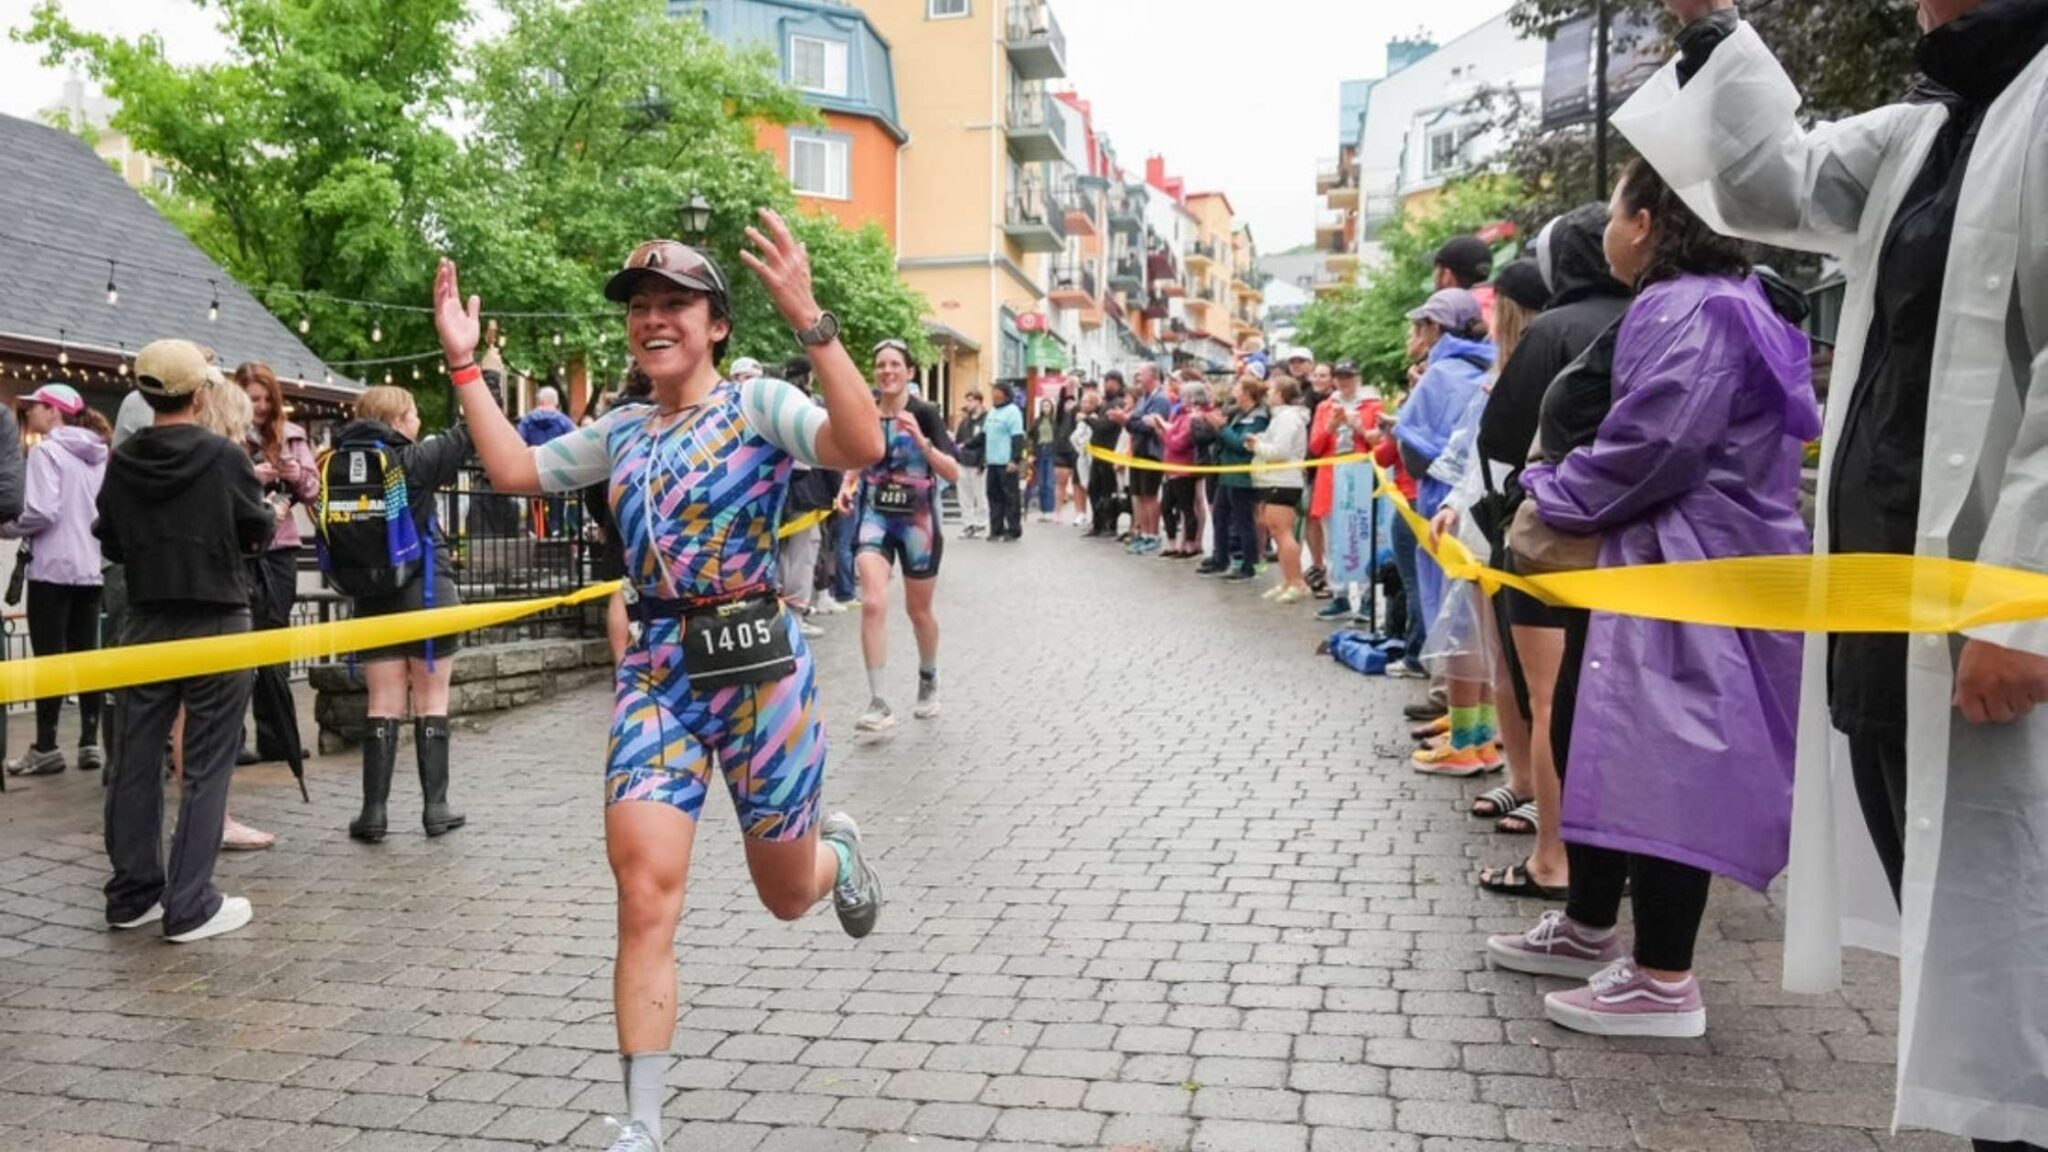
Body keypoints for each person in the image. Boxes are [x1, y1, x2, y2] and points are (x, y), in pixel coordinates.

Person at [1619, 1, 2048, 1143]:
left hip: (1991, 619)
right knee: (1957, 919)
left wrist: (2028, 608)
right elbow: (1772, 184)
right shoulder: (1932, 127)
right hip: (1889, 606)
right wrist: (1711, 27)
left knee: (2018, 926)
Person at [434, 214, 888, 1152]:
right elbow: (516, 469)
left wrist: (811, 319)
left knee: (786, 895)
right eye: (640, 306)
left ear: (716, 323)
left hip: (762, 675)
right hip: (658, 675)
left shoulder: (757, 408)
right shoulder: (624, 431)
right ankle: (641, 1125)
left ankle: (835, 856)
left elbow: (859, 446)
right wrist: (466, 368)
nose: (653, 318)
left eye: (674, 303)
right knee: (644, 894)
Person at [1485, 158, 1819, 1042]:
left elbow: (1656, 442)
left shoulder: (1695, 306)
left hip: (1682, 568)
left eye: (1617, 209)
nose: (1605, 229)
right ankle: (1596, 927)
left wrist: (1551, 487)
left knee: (1668, 760)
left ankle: (1664, 978)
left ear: (1645, 222)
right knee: (1608, 739)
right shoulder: (1724, 301)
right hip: (1680, 563)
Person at [1472, 205, 1633, 899]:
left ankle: (1553, 860)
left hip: (1557, 540)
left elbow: (1502, 433)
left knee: (1552, 701)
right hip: (1649, 542)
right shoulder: (1666, 318)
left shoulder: (1555, 330)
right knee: (1625, 704)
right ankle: (1624, 860)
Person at [96, 339, 275, 943]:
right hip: (218, 618)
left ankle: (131, 894)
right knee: (205, 764)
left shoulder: (123, 460)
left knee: (135, 758)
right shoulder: (222, 457)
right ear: (201, 393)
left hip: (146, 619)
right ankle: (190, 902)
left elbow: (111, 538)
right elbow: (257, 526)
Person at [328, 384, 474, 844]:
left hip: (372, 598)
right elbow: (470, 432)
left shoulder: (333, 460)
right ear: (395, 421)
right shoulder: (412, 459)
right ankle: (436, 808)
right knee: (432, 701)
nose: (418, 424)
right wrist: (485, 372)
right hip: (427, 591)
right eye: (412, 414)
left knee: (382, 704)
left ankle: (373, 812)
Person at [846, 339, 959, 732]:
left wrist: (921, 440)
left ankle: (928, 678)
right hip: (875, 515)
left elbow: (952, 472)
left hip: (918, 521)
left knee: (918, 611)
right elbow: (859, 455)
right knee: (873, 602)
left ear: (910, 372)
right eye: (881, 365)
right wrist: (848, 483)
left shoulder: (925, 412)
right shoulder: (866, 411)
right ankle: (878, 701)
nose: (887, 371)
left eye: (895, 365)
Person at [3, 383, 109, 778]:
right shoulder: (100, 455)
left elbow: (41, 510)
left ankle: (46, 746)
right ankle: (89, 742)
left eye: (35, 406)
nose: (29, 413)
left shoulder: (46, 452)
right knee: (87, 658)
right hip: (91, 567)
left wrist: (8, 527)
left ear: (53, 412)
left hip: (51, 568)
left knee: (49, 658)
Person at [1391, 289, 1495, 665]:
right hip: (1486, 505)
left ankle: (1447, 704)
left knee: (1444, 608)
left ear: (1434, 328)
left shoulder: (1440, 375)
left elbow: (1415, 455)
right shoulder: (1493, 367)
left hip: (1441, 508)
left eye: (1419, 327)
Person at [237, 362, 320, 766]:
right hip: (238, 546)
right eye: (254, 399)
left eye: (268, 399)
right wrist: (252, 474)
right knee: (234, 642)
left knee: (274, 639)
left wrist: (294, 471)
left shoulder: (291, 436)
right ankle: (232, 741)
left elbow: (312, 489)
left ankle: (276, 736)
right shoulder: (225, 437)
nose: (262, 407)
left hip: (280, 545)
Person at [585, 365, 656, 663]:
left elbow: (591, 480)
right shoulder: (661, 416)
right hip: (657, 514)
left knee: (618, 590)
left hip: (616, 516)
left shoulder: (609, 421)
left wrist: (603, 519)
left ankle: (622, 664)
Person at [1310, 362, 1385, 621]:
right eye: (1340, 377)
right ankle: (1338, 595)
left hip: (1361, 475)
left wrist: (1358, 427)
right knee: (1333, 539)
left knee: (1362, 535)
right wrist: (1330, 426)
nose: (1344, 382)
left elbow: (1380, 442)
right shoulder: (1324, 407)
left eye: (1349, 377)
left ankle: (1365, 596)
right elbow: (1315, 446)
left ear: (1358, 378)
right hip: (1331, 478)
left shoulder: (1373, 406)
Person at [1245, 376, 1311, 602]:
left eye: (1272, 389)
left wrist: (1257, 446)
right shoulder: (1280, 418)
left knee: (1282, 532)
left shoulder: (1287, 418)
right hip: (1273, 479)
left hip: (1283, 480)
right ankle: (1287, 579)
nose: (1268, 392)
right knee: (1275, 529)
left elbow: (1281, 451)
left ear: (1281, 394)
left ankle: (1297, 582)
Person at [1198, 376, 1270, 582]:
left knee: (1243, 521)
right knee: (1220, 517)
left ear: (1247, 393)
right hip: (1228, 472)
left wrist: (1222, 428)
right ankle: (1220, 558)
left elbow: (1242, 444)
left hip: (1243, 476)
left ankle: (1249, 564)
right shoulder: (1238, 414)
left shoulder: (1258, 418)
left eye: (1238, 388)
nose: (1234, 391)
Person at [1114, 364, 1172, 553]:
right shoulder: (1144, 399)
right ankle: (1144, 533)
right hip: (1139, 451)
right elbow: (1138, 421)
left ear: (1154, 376)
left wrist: (1127, 421)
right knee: (1139, 495)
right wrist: (1129, 421)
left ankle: (1153, 535)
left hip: (1151, 452)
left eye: (1142, 374)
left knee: (1150, 496)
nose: (1138, 377)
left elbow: (1150, 426)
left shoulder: (1161, 399)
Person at [1155, 380, 1211, 559]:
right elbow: (1173, 435)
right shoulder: (1181, 414)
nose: (1181, 399)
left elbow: (1178, 442)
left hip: (1184, 468)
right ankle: (1173, 543)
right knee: (1166, 507)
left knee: (1187, 507)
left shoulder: (1194, 417)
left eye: (1185, 396)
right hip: (1171, 467)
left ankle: (1189, 544)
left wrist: (1162, 430)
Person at [980, 381, 1025, 541]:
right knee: (993, 496)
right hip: (992, 462)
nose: (994, 395)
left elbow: (1017, 438)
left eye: (997, 392)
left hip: (1006, 462)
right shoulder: (992, 412)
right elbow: (983, 436)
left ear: (1005, 394)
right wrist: (967, 446)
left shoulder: (1013, 412)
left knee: (1010, 498)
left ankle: (1013, 529)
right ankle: (996, 529)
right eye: (993, 392)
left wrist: (1015, 459)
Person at [1084, 375, 1127, 538]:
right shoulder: (1104, 404)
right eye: (1106, 382)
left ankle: (1109, 524)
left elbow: (1103, 426)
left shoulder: (1118, 404)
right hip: (1098, 452)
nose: (1108, 386)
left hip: (1109, 452)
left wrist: (1088, 420)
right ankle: (1097, 523)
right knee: (1094, 488)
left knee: (1108, 491)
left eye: (1112, 383)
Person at [951, 391, 988, 539]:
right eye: (967, 401)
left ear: (979, 402)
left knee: (980, 495)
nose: (968, 404)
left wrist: (983, 462)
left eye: (971, 401)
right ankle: (968, 524)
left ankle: (982, 524)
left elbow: (985, 442)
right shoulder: (965, 422)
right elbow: (958, 442)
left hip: (977, 462)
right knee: (964, 496)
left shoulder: (986, 420)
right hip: (963, 461)